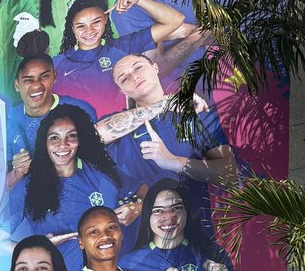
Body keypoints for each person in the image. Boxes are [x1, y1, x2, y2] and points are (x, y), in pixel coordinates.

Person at [99, 54, 236, 227]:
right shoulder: (121, 125)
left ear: (155, 68)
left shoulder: (196, 109)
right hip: (145, 238)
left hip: (197, 226)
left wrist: (173, 162)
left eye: (138, 67)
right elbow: (95, 135)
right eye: (124, 78)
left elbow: (229, 173)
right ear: (122, 91)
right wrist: (164, 103)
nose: (134, 76)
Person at [7, 103, 129, 271]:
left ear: (80, 139)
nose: (63, 145)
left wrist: (136, 208)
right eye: (54, 138)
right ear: (44, 143)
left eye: (71, 136)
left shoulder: (102, 173)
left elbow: (144, 193)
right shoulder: (29, 186)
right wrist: (40, 249)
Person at [121, 179, 242, 271]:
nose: (168, 217)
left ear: (188, 211)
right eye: (158, 210)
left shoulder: (211, 253)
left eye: (176, 208)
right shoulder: (126, 265)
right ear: (147, 215)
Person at [54, 0, 191, 120]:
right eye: (80, 26)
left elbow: (175, 20)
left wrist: (138, 0)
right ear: (72, 28)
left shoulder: (125, 46)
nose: (89, 31)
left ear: (105, 19)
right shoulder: (58, 63)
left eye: (96, 22)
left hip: (132, 132)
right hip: (88, 138)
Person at [6, 48, 94, 190]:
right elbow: (0, 190)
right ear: (17, 85)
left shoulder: (80, 110)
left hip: (79, 193)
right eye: (28, 80)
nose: (36, 85)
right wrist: (17, 172)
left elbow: (101, 161)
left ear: (54, 76)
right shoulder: (7, 120)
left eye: (44, 77)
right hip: (33, 201)